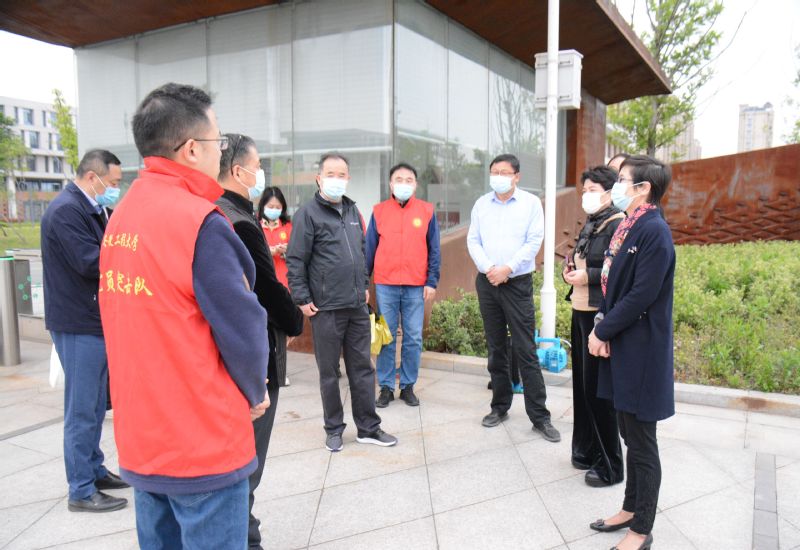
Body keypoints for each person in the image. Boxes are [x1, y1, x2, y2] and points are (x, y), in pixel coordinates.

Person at [98, 83, 270, 549]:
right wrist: (254, 389)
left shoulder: (122, 215)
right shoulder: (199, 221)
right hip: (201, 441)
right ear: (192, 149)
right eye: (217, 141)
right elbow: (243, 325)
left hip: (144, 437)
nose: (220, 151)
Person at [216, 134, 304, 550]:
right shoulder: (238, 221)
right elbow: (266, 291)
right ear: (238, 171)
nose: (261, 174)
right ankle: (245, 538)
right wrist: (295, 319)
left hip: (221, 357)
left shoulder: (211, 210)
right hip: (253, 360)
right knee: (246, 462)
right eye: (257, 166)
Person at [588, 155, 675, 550]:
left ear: (644, 188)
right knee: (629, 434)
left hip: (641, 350)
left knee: (641, 442)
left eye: (623, 179)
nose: (616, 186)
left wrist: (602, 329)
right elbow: (614, 284)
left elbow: (642, 294)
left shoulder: (654, 231)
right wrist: (602, 324)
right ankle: (629, 508)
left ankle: (642, 529)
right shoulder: (629, 225)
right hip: (623, 344)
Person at [286, 152, 397, 452]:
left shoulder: (352, 211)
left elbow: (360, 252)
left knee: (363, 369)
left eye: (341, 174)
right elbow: (296, 259)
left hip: (356, 306)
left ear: (348, 178)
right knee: (329, 373)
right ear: (319, 178)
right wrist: (301, 297)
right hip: (326, 308)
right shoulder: (308, 214)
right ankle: (334, 429)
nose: (336, 179)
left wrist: (363, 286)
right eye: (330, 174)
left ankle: (368, 428)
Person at [41, 149, 129, 513]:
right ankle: (80, 488)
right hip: (78, 323)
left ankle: (94, 470)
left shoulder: (91, 208)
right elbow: (90, 261)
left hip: (93, 320)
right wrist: (131, 256)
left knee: (94, 405)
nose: (115, 189)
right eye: (113, 183)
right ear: (92, 178)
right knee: (81, 409)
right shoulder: (66, 210)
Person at [467, 153, 561, 443]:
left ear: (517, 176)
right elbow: (473, 240)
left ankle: (540, 416)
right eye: (494, 171)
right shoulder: (481, 204)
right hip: (488, 281)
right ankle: (499, 406)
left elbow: (534, 241)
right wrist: (489, 269)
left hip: (517, 282)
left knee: (525, 349)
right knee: (496, 347)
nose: (498, 177)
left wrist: (507, 269)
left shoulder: (531, 204)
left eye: (504, 172)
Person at [563, 166, 625, 487]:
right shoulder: (593, 222)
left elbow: (617, 270)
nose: (586, 195)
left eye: (593, 189)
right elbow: (583, 259)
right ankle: (586, 450)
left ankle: (609, 464)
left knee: (598, 391)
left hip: (597, 314)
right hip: (580, 309)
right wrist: (569, 271)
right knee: (583, 387)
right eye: (584, 189)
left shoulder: (617, 224)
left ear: (609, 192)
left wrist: (585, 276)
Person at [366, 162, 441, 408]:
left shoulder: (426, 211)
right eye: (399, 179)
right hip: (385, 284)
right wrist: (363, 282)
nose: (404, 184)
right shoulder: (379, 211)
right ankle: (386, 387)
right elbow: (369, 249)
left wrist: (431, 281)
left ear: (416, 184)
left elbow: (434, 249)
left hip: (416, 285)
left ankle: (408, 386)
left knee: (413, 338)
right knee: (384, 337)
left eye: (409, 180)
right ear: (390, 184)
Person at [258, 186, 292, 289]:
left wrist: (287, 251)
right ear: (263, 206)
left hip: (285, 283)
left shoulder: (288, 226)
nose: (274, 210)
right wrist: (269, 252)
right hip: (262, 282)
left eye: (278, 207)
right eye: (271, 206)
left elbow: (298, 253)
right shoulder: (256, 226)